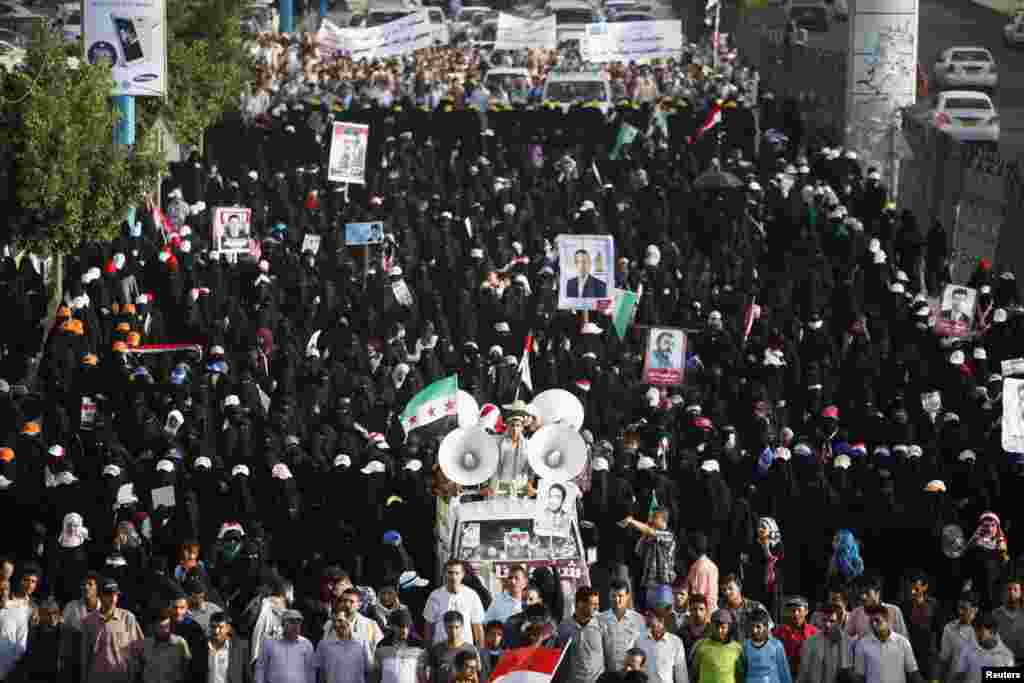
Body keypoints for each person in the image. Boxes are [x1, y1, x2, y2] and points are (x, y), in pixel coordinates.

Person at [80, 579, 144, 683]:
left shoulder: (128, 618)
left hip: (122, 678)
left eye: (116, 595)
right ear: (100, 596)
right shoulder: (88, 621)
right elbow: (85, 656)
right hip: (97, 678)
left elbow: (138, 651)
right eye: (109, 595)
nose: (113, 598)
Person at [851, 605, 919, 683]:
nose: (874, 624)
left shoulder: (903, 642)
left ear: (887, 620)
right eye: (871, 621)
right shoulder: (862, 645)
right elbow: (860, 676)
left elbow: (913, 672)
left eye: (877, 620)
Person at [423, 561, 485, 647]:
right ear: (444, 574)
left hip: (465, 652)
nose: (453, 577)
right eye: (450, 573)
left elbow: (477, 627)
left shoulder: (472, 595)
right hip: (440, 651)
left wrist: (480, 652)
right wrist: (428, 651)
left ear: (462, 574)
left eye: (457, 573)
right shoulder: (435, 596)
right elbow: (429, 626)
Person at [129, 608, 192, 683]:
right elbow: (138, 669)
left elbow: (186, 666)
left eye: (167, 627)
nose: (165, 630)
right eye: (161, 627)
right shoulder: (145, 645)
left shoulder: (180, 643)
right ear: (154, 627)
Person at [557, 587, 605, 683]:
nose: (597, 608)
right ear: (580, 604)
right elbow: (559, 658)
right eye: (593, 604)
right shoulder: (564, 627)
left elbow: (609, 654)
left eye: (597, 604)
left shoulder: (603, 623)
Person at [951, 611, 1015, 683]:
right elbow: (958, 677)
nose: (976, 634)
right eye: (975, 630)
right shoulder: (967, 649)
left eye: (979, 629)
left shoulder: (1007, 656)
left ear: (992, 630)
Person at [254, 610, 315, 683]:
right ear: (283, 623)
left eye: (298, 622)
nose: (295, 625)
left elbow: (311, 671)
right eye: (291, 621)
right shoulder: (269, 643)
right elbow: (261, 668)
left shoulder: (306, 644)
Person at [796, 605, 851, 683]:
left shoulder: (847, 643)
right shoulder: (810, 642)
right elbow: (804, 672)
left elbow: (848, 673)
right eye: (824, 620)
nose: (827, 624)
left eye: (832, 621)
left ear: (839, 622)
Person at [601, 580, 647, 673]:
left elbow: (642, 648)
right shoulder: (600, 619)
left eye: (620, 596)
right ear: (609, 596)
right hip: (607, 674)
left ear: (627, 597)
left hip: (631, 674)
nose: (617, 599)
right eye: (613, 596)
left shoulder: (638, 619)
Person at [315, 614, 372, 683]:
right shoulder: (323, 644)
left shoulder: (362, 642)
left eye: (341, 621)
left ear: (350, 621)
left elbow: (368, 670)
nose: (338, 624)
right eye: (335, 621)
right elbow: (321, 673)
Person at [635, 607, 687, 683]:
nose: (646, 619)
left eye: (650, 616)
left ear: (661, 620)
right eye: (646, 616)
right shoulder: (639, 640)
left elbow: (681, 674)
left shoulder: (676, 642)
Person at [690, 610, 744, 683]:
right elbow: (694, 673)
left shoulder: (737, 648)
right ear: (710, 626)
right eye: (716, 627)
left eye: (723, 627)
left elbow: (740, 676)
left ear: (729, 628)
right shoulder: (700, 645)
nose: (719, 630)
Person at [425, 611, 479, 683]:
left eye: (457, 627)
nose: (453, 631)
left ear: (462, 627)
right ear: (444, 627)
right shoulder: (436, 649)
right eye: (450, 627)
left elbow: (475, 677)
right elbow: (432, 678)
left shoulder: (471, 649)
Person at [374, 610, 427, 683]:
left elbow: (422, 676)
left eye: (407, 626)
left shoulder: (419, 648)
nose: (404, 630)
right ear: (392, 626)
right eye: (400, 626)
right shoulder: (381, 648)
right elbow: (376, 675)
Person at [742, 609, 792, 683]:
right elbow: (743, 671)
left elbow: (784, 671)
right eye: (752, 626)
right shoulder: (746, 646)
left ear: (766, 627)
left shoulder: (776, 645)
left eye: (758, 627)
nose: (754, 630)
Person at [937, 593, 979, 683]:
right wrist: (936, 681)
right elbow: (944, 660)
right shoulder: (950, 628)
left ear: (975, 609)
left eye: (964, 608)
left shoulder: (986, 629)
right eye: (959, 608)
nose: (960, 612)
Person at [206, 612, 252, 683]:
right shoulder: (202, 646)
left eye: (220, 627)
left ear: (228, 628)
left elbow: (247, 675)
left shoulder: (240, 647)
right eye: (213, 627)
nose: (216, 631)